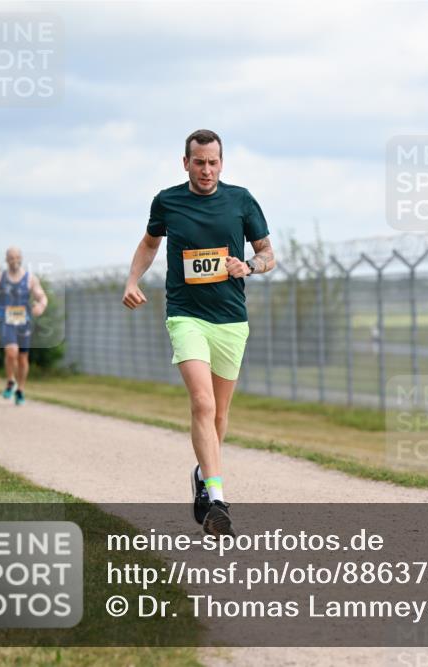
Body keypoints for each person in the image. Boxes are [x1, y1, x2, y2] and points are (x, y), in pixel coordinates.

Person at [122, 129, 275, 537]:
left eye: (213, 162)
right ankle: (218, 500)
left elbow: (267, 254)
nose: (206, 170)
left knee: (220, 415)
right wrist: (132, 280)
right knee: (203, 404)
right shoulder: (167, 201)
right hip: (186, 315)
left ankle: (203, 475)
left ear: (221, 164)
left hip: (230, 319)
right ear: (185, 162)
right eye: (199, 162)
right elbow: (149, 243)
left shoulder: (241, 200)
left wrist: (251, 267)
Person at [0, 247, 48, 406]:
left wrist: (41, 306)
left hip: (24, 322)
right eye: (11, 258)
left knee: (23, 358)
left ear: (21, 258)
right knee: (11, 352)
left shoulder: (30, 279)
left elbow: (42, 297)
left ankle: (20, 389)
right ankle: (10, 381)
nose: (14, 260)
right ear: (6, 259)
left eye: (17, 257)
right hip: (6, 320)